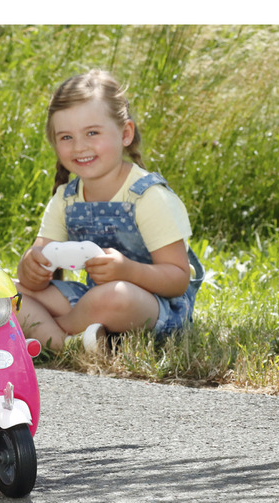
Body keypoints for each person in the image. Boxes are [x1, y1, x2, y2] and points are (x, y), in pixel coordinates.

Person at [16, 70, 204, 353]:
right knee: (7, 292)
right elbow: (40, 257)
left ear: (125, 133)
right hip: (94, 298)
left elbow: (178, 279)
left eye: (92, 132)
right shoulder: (66, 198)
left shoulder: (147, 195)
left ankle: (53, 333)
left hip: (154, 306)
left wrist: (127, 270)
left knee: (115, 297)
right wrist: (32, 266)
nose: (79, 146)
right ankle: (70, 344)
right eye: (66, 137)